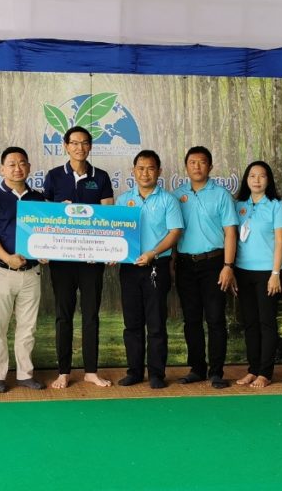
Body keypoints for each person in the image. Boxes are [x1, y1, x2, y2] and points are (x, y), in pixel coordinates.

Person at [42, 126, 114, 389]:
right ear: (65, 146)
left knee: (91, 315)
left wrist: (105, 250)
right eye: (74, 143)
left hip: (91, 261)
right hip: (61, 261)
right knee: (63, 316)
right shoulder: (53, 176)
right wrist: (57, 211)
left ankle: (91, 371)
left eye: (84, 143)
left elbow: (108, 216)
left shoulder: (101, 177)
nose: (79, 147)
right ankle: (63, 372)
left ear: (90, 146)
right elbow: (44, 217)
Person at [0, 147, 46, 393]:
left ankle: (25, 374)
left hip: (31, 272)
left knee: (28, 327)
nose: (18, 168)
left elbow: (46, 232)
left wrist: (46, 251)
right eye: (12, 164)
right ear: (2, 169)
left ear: (29, 167)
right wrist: (7, 258)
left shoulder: (39, 199)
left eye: (22, 163)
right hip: (2, 271)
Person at [115, 150, 183, 389]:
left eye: (151, 168)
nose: (145, 173)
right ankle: (134, 372)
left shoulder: (168, 200)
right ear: (133, 171)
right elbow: (116, 232)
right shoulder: (123, 200)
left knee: (156, 324)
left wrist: (153, 253)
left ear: (159, 171)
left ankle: (156, 374)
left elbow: (175, 232)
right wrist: (113, 253)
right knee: (132, 323)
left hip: (157, 266)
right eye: (141, 168)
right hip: (129, 268)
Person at [173, 146, 239, 389]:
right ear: (186, 166)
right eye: (192, 162)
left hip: (214, 264)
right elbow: (172, 233)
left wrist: (228, 265)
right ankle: (196, 369)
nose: (197, 166)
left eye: (202, 162)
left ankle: (216, 371)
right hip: (184, 264)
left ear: (210, 166)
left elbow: (230, 232)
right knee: (191, 320)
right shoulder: (177, 196)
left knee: (215, 319)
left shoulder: (221, 195)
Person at [233, 161, 282, 388]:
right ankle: (253, 369)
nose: (257, 180)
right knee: (250, 323)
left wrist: (276, 273)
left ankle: (265, 372)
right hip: (242, 271)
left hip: (267, 272)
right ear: (246, 179)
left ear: (269, 180)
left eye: (262, 176)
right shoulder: (239, 205)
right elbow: (232, 238)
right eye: (252, 175)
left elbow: (281, 241)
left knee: (266, 322)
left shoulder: (277, 206)